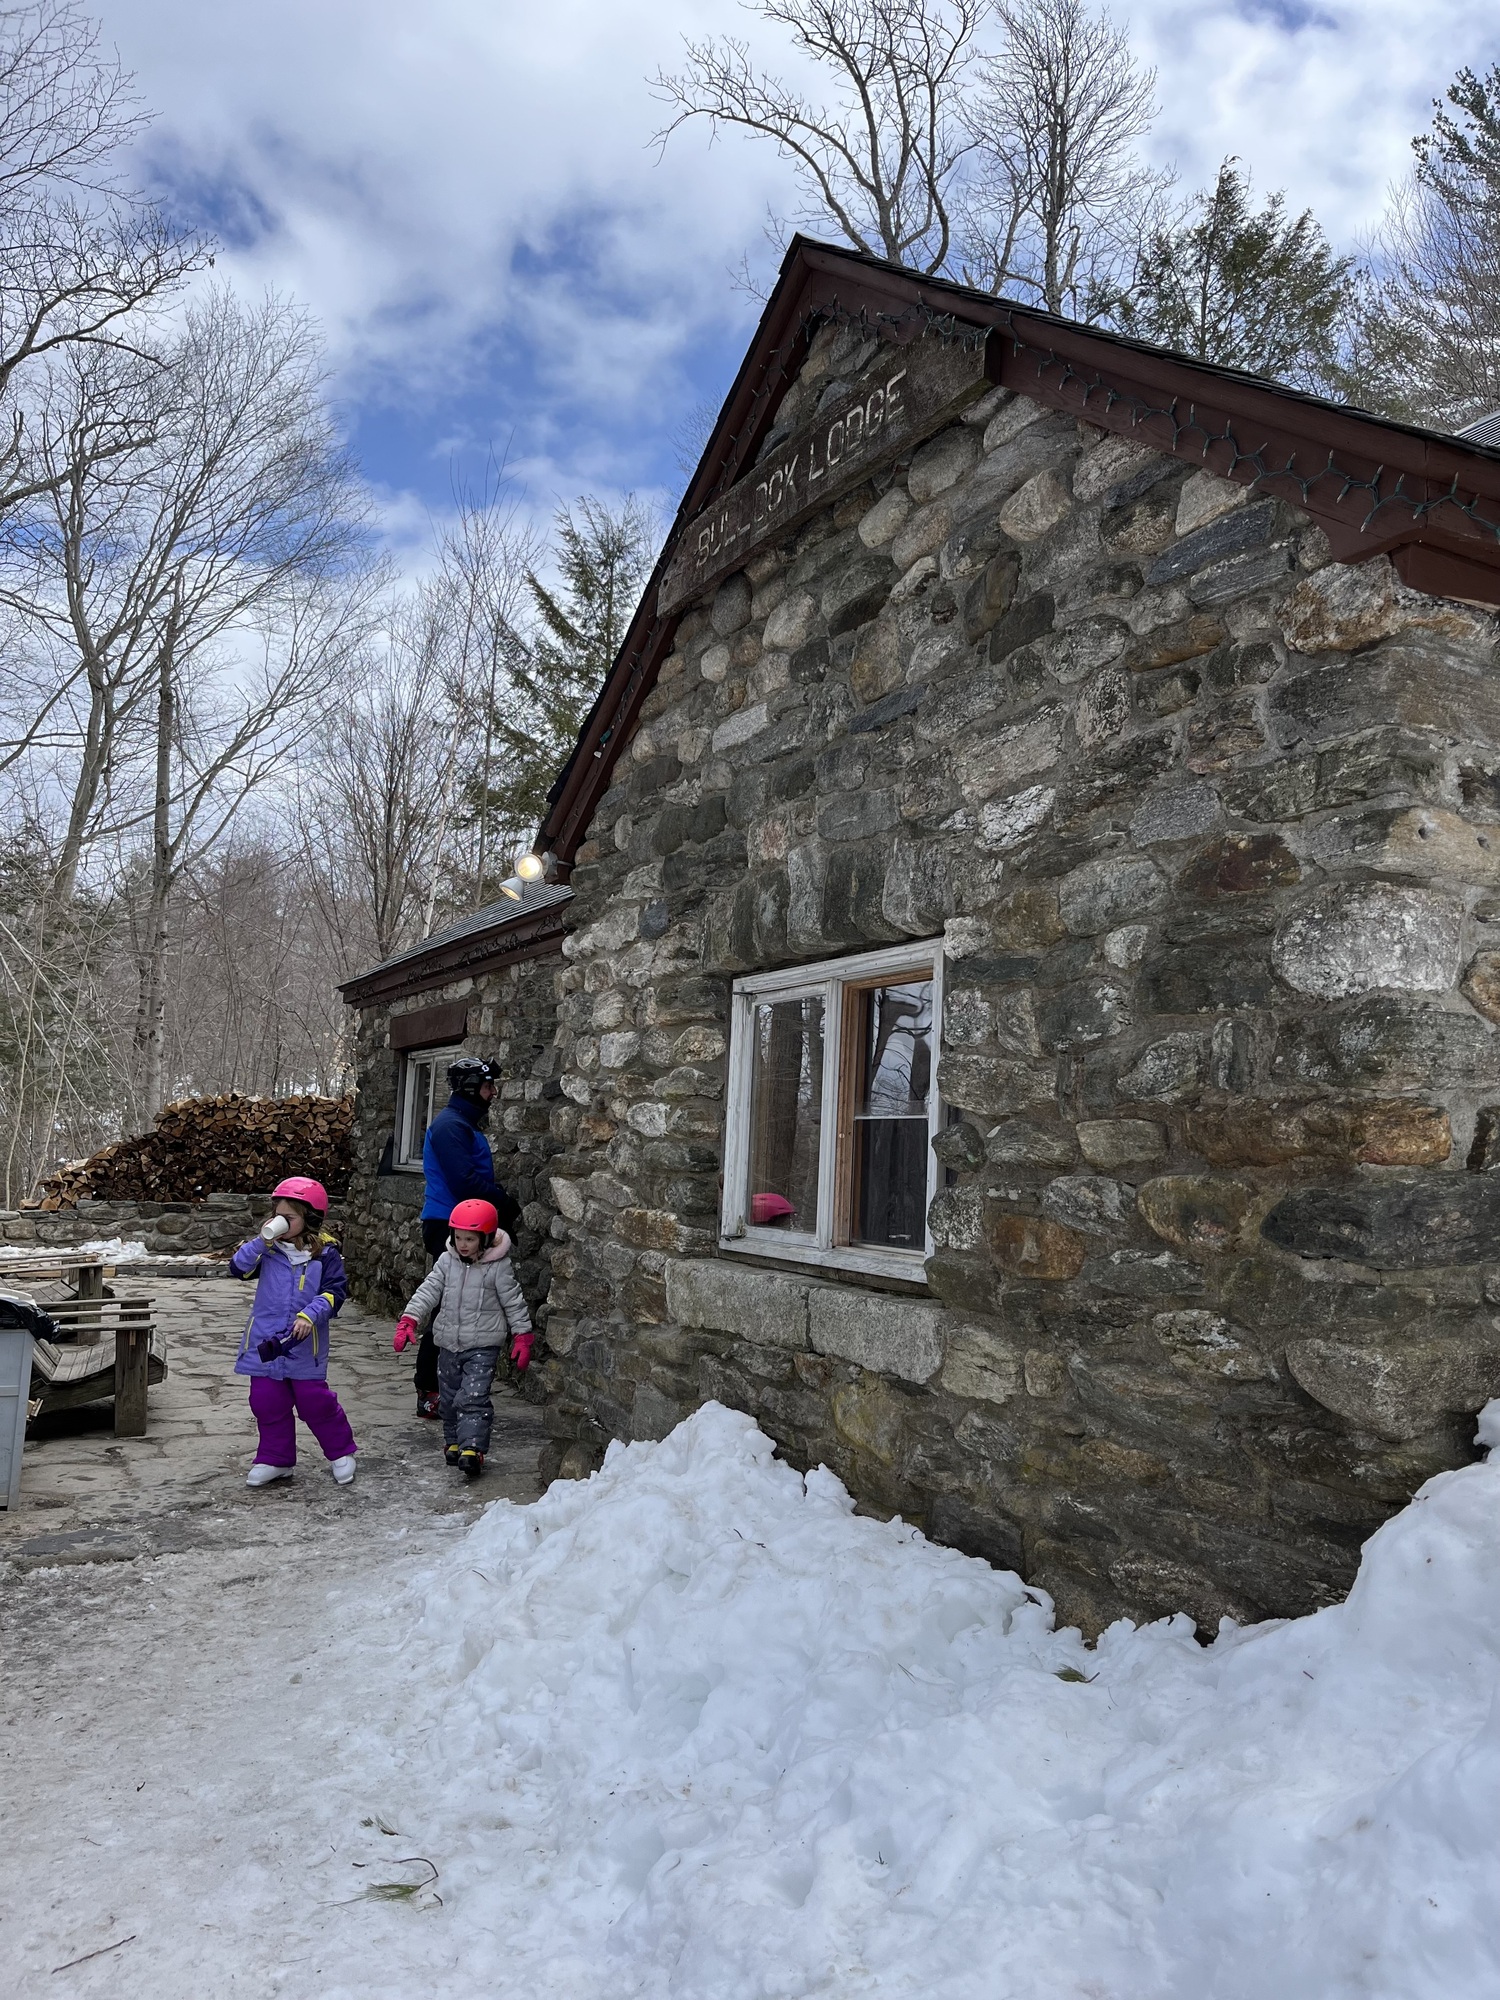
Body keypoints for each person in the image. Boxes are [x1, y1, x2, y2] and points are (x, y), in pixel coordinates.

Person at [412, 1055, 521, 1419]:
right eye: (489, 1087)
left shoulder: (464, 1124)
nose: (493, 1094)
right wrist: (504, 1203)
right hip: (450, 1225)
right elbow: (463, 1182)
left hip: (467, 1223)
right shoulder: (450, 1127)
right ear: (473, 1089)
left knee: (465, 1306)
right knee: (448, 1309)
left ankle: (455, 1385)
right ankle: (429, 1388)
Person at [393, 1198, 533, 1479]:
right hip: (448, 1344)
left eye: (470, 1238)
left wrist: (522, 1336)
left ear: (487, 1238)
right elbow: (428, 1291)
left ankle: (473, 1448)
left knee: (473, 1397)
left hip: (482, 1346)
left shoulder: (498, 1268)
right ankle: (454, 1442)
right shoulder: (447, 1262)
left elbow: (514, 1303)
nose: (463, 1244)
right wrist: (410, 1319)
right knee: (448, 1399)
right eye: (458, 1237)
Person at [229, 1175, 355, 1488]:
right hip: (265, 1342)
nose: (280, 1222)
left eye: (289, 1218)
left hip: (304, 1344)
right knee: (266, 1401)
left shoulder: (325, 1255)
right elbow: (237, 1268)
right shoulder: (268, 1251)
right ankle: (275, 1458)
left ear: (310, 1218)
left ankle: (340, 1452)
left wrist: (310, 1315)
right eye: (277, 1216)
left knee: (315, 1402)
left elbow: (335, 1293)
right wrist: (262, 1240)